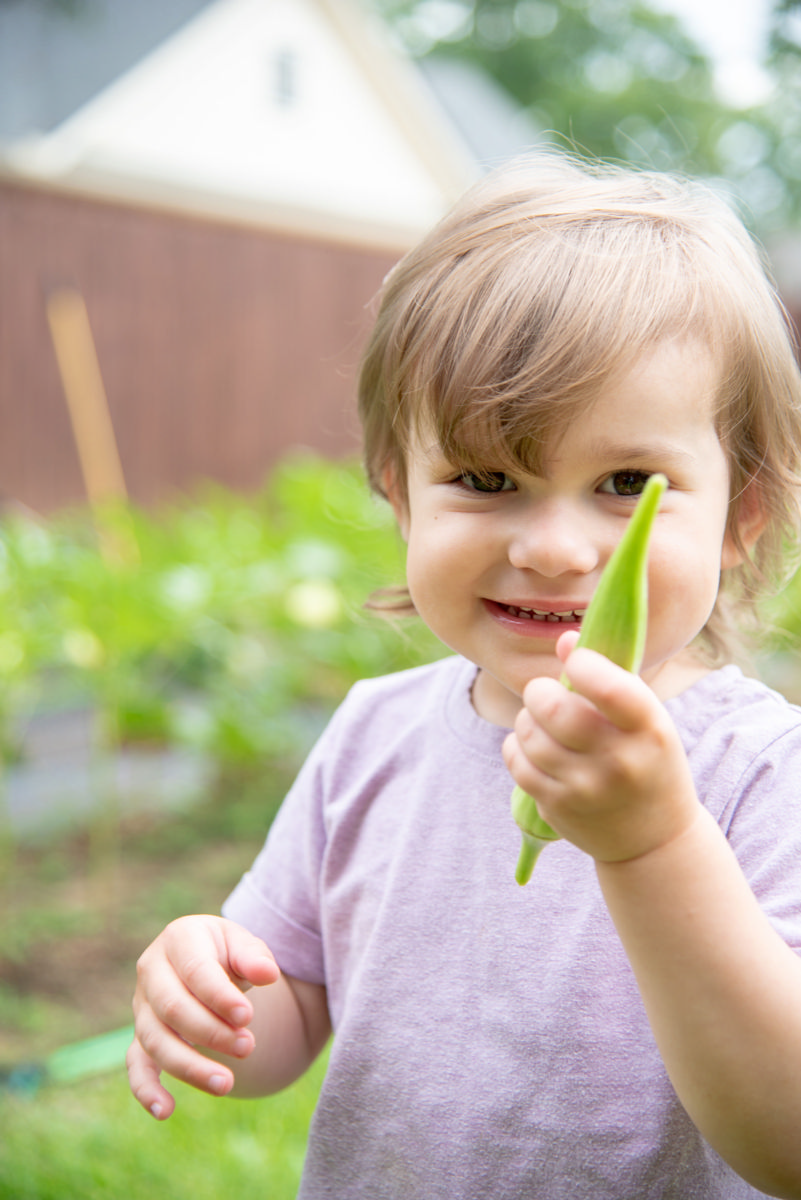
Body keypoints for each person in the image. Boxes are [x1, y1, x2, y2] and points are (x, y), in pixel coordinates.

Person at [127, 152, 801, 1199]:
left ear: (741, 515)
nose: (556, 548)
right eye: (487, 479)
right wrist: (212, 991)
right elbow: (287, 1020)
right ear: (401, 495)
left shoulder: (762, 774)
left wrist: (654, 841)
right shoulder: (370, 735)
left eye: (627, 483)